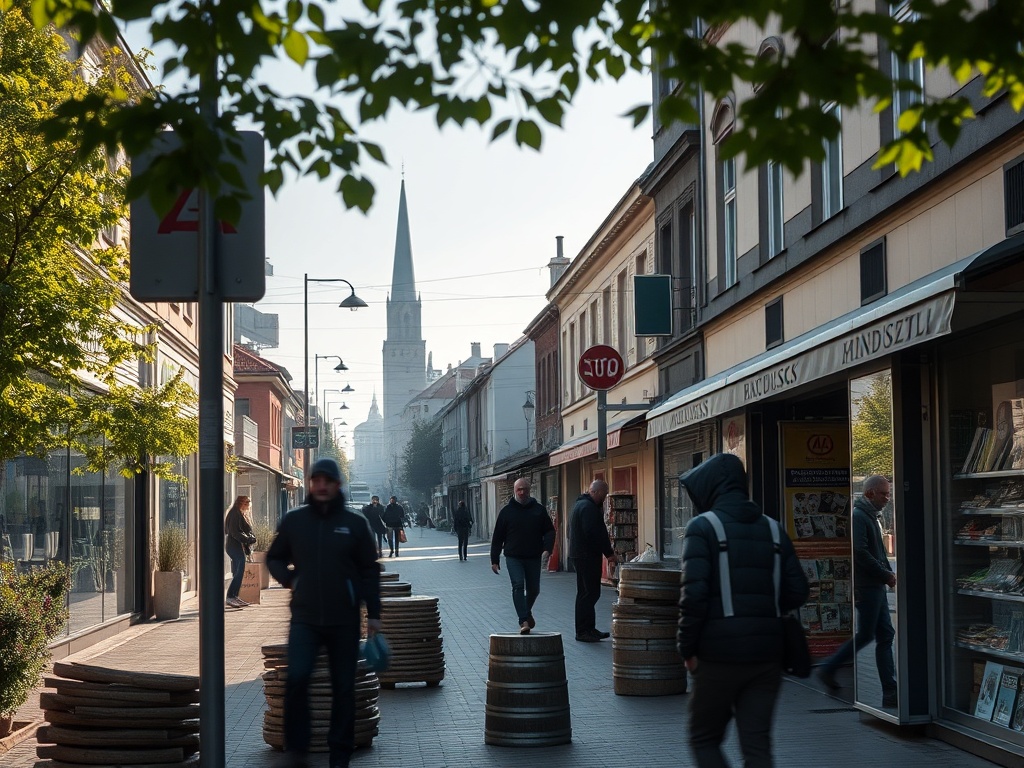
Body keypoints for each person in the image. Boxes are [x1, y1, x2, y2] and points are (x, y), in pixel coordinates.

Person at [678, 453, 809, 768]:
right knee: (757, 746)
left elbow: (693, 595)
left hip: (717, 655)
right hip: (767, 656)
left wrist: (687, 648)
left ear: (711, 487)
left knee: (704, 738)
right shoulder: (774, 530)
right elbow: (798, 591)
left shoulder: (702, 527)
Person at [266, 458, 382, 768]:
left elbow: (369, 571)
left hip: (344, 620)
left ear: (337, 484)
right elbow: (274, 558)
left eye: (326, 480)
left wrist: (374, 614)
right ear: (309, 483)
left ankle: (340, 755)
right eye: (315, 480)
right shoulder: (295, 521)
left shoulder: (355, 524)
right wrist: (291, 580)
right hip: (304, 618)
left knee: (344, 687)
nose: (320, 485)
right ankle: (297, 751)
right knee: (297, 679)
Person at [818, 475, 897, 708]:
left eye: (888, 493)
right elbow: (861, 553)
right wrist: (885, 574)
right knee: (869, 634)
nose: (887, 498)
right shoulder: (860, 517)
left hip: (875, 586)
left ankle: (890, 690)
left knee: (884, 635)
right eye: (883, 493)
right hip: (869, 586)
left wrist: (885, 574)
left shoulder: (870, 516)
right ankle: (830, 668)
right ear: (870, 493)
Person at [490, 478, 555, 634]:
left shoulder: (539, 510)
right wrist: (494, 559)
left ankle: (525, 611)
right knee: (518, 585)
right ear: (514, 490)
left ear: (529, 489)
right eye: (519, 489)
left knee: (534, 589)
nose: (522, 492)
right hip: (513, 557)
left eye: (525, 489)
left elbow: (549, 530)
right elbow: (498, 536)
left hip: (533, 556)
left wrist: (547, 548)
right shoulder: (506, 512)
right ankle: (523, 621)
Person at [569, 479, 617, 642]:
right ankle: (583, 631)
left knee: (587, 593)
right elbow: (595, 534)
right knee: (589, 593)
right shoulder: (588, 508)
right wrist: (609, 553)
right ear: (594, 492)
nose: (604, 498)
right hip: (586, 556)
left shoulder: (581, 505)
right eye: (603, 495)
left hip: (580, 555)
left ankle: (589, 628)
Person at [223, 495, 257, 608]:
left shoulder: (238, 513)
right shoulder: (235, 514)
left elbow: (245, 529)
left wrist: (250, 536)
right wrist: (248, 539)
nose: (248, 507)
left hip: (236, 546)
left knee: (238, 572)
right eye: (247, 504)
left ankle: (234, 596)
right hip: (234, 546)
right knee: (238, 571)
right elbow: (235, 532)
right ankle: (231, 597)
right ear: (243, 503)